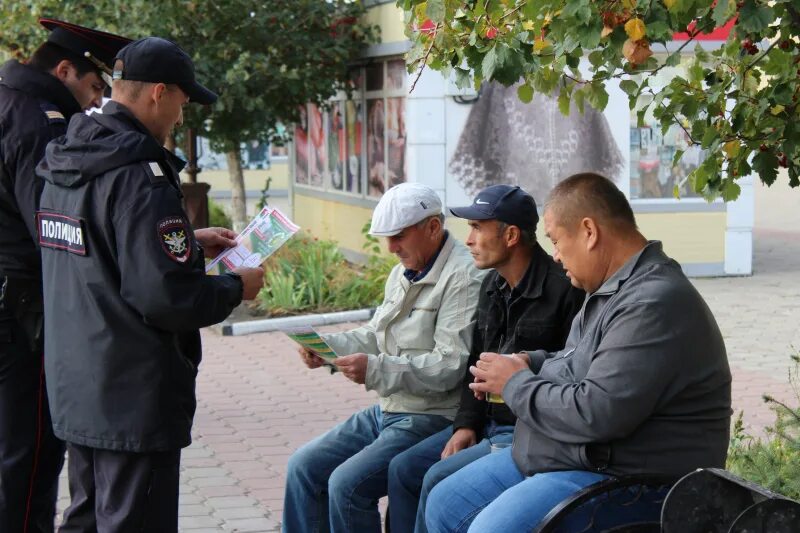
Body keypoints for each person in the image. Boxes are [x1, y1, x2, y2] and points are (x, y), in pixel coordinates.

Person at [35, 37, 265, 531]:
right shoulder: (141, 175)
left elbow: (97, 249)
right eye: (183, 102)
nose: (182, 117)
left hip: (77, 383)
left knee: (86, 517)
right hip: (132, 393)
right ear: (159, 93)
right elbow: (168, 298)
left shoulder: (66, 159)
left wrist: (184, 238)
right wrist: (233, 288)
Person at [425, 172, 732, 532]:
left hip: (634, 481)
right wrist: (531, 361)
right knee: (444, 502)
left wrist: (515, 383)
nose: (554, 256)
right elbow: (575, 360)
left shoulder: (653, 301)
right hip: (574, 456)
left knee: (491, 529)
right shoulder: (610, 288)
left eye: (556, 241)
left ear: (589, 232)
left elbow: (597, 412)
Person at [283, 182, 484, 533]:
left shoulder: (464, 276)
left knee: (347, 486)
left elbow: (450, 366)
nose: (390, 248)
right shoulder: (401, 272)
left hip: (432, 416)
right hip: (390, 410)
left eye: (399, 236)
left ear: (433, 227)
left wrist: (375, 369)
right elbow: (375, 335)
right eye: (386, 237)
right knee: (303, 466)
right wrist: (327, 350)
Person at [386, 185, 584, 533]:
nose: (468, 239)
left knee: (436, 481)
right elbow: (475, 364)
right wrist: (466, 425)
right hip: (488, 425)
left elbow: (573, 368)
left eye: (477, 228)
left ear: (510, 235)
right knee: (404, 470)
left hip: (528, 433)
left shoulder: (565, 287)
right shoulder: (491, 284)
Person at [0, 18, 131, 533]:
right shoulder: (40, 119)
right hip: (23, 313)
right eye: (95, 87)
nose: (95, 103)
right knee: (28, 457)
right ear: (63, 70)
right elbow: (52, 231)